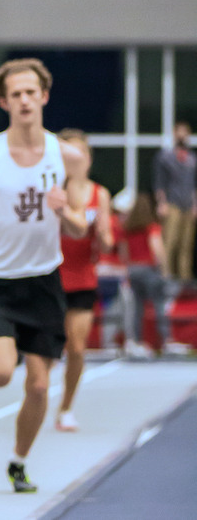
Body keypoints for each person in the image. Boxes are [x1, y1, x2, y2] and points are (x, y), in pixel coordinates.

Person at [0, 57, 88, 494]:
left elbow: (79, 226)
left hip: (44, 281)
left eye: (32, 92)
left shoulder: (68, 157)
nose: (25, 100)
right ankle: (2, 349)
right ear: (4, 101)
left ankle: (18, 460)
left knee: (39, 384)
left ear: (44, 96)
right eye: (16, 94)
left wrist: (63, 209)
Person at [54, 129, 114, 431]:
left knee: (77, 348)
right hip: (49, 277)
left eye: (81, 155)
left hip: (82, 278)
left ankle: (66, 406)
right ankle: (36, 398)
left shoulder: (98, 194)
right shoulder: (50, 190)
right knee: (47, 350)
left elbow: (107, 243)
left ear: (87, 160)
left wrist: (104, 233)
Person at [119, 192, 173, 358]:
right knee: (159, 305)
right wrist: (164, 269)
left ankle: (137, 341)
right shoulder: (151, 226)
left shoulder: (128, 228)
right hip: (148, 269)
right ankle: (165, 340)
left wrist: (128, 269)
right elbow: (156, 247)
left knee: (137, 308)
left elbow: (124, 252)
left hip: (134, 269)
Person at [153, 120, 196, 284]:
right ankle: (166, 275)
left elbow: (194, 184)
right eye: (180, 131)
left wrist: (194, 205)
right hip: (172, 203)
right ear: (174, 133)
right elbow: (160, 183)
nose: (182, 135)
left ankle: (185, 278)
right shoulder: (165, 157)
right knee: (170, 241)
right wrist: (161, 203)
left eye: (186, 132)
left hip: (187, 204)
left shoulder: (192, 158)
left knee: (186, 244)